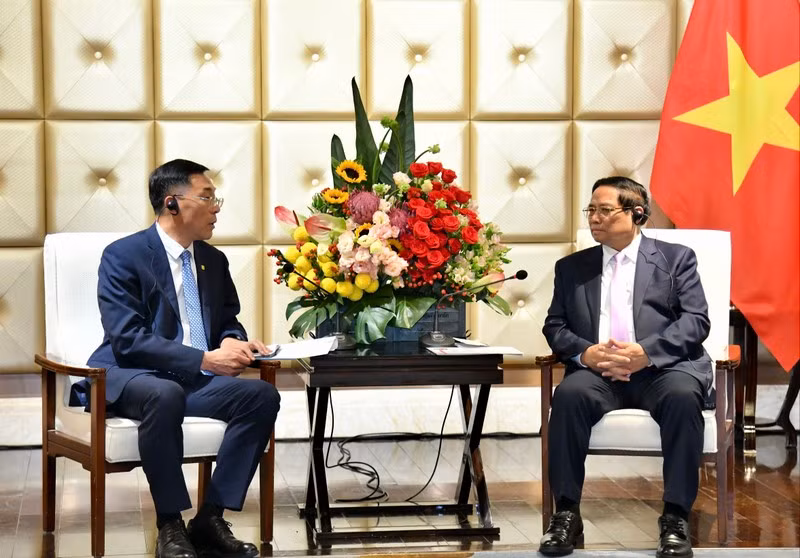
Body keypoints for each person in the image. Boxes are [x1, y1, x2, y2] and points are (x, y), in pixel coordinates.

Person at [85, 159, 280, 558]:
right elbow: (128, 339)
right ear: (173, 203)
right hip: (132, 375)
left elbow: (228, 322)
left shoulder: (213, 260)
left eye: (215, 197)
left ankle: (210, 517)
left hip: (188, 379)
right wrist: (205, 359)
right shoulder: (124, 256)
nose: (216, 207)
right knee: (164, 393)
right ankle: (169, 523)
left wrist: (233, 343)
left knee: (260, 397)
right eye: (207, 197)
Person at [539, 176, 711, 558]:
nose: (594, 218)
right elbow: (555, 325)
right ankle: (566, 514)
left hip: (662, 371)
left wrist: (645, 353)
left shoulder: (675, 259)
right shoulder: (572, 267)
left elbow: (696, 320)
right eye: (591, 210)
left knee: (684, 398)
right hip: (598, 374)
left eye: (604, 210)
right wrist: (587, 354)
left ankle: (675, 516)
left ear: (636, 213)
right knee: (567, 396)